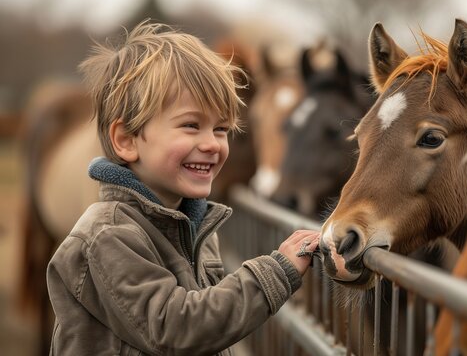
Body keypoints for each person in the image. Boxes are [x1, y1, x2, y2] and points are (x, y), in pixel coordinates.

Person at [46, 20, 319, 355]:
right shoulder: (109, 235)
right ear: (126, 141)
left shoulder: (194, 228)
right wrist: (276, 272)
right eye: (191, 125)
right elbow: (176, 329)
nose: (212, 144)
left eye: (221, 128)